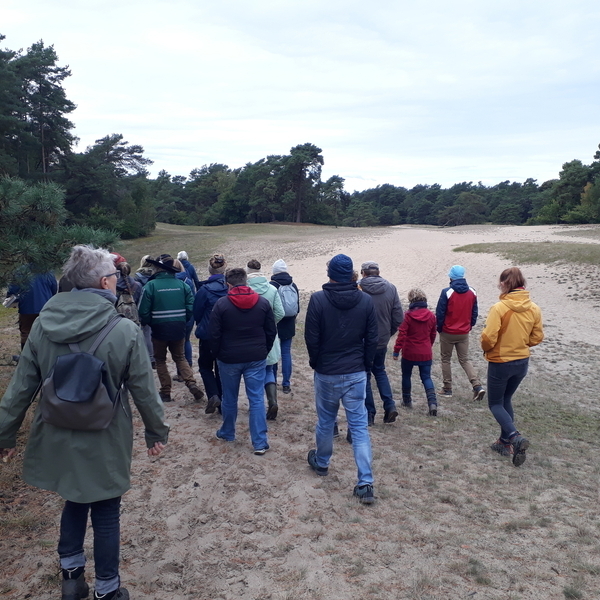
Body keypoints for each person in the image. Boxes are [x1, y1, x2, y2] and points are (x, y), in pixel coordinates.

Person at [0, 245, 169, 600]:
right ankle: (108, 590)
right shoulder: (124, 329)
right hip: (105, 433)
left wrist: (5, 434)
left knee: (73, 500)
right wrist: (156, 430)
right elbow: (143, 390)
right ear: (105, 282)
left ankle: (72, 578)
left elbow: (20, 388)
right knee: (106, 511)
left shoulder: (44, 324)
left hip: (57, 431)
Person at [304, 254, 378, 505]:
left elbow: (312, 339)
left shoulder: (319, 299)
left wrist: (318, 364)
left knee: (326, 421)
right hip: (354, 370)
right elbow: (373, 339)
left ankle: (323, 461)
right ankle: (365, 481)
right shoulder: (364, 301)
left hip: (330, 371)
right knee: (359, 428)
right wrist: (365, 367)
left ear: (330, 273)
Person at [209, 268, 277, 455]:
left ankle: (228, 431)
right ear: (246, 282)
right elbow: (271, 331)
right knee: (256, 398)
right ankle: (260, 442)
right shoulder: (262, 303)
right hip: (254, 356)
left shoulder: (222, 305)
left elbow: (213, 334)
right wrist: (264, 350)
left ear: (228, 284)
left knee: (230, 397)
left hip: (229, 357)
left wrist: (217, 353)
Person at [481, 267, 544, 466]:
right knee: (506, 399)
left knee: (495, 404)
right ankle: (504, 442)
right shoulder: (534, 308)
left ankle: (515, 437)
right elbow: (537, 336)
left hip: (501, 362)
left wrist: (486, 348)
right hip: (521, 362)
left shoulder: (499, 308)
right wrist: (521, 345)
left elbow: (488, 337)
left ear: (505, 283)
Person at [138, 254, 204, 403]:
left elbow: (143, 311)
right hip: (178, 327)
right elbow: (191, 307)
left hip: (159, 329)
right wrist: (183, 319)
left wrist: (151, 322)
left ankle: (166, 392)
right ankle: (191, 383)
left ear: (157, 269)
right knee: (180, 357)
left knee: (160, 360)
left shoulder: (150, 286)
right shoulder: (183, 285)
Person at [359, 261, 404, 424]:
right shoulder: (391, 288)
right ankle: (390, 406)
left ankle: (370, 413)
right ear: (378, 272)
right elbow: (398, 317)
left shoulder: (358, 288)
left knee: (365, 374)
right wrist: (387, 333)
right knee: (380, 371)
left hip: (362, 340)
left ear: (363, 273)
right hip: (381, 340)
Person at [435, 265, 485, 401]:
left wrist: (439, 328)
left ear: (451, 277)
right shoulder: (472, 292)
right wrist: (470, 325)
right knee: (464, 359)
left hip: (448, 331)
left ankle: (447, 388)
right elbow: (474, 312)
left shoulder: (447, 292)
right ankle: (477, 385)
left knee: (446, 359)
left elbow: (440, 313)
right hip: (463, 331)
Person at [247, 259, 284, 420]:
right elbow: (280, 312)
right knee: (269, 369)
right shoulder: (272, 289)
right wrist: (269, 324)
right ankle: (272, 400)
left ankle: (255, 405)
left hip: (249, 335)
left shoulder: (246, 289)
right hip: (269, 335)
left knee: (251, 372)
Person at [392, 288, 438, 416]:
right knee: (426, 377)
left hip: (409, 351)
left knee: (406, 375)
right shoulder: (431, 316)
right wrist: (429, 345)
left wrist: (396, 350)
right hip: (425, 351)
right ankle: (432, 403)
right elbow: (433, 334)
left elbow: (402, 334)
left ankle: (407, 400)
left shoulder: (407, 315)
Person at [193, 254, 228, 414]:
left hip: (207, 334)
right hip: (225, 334)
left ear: (209, 269)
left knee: (205, 366)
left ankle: (213, 395)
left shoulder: (204, 290)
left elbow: (197, 312)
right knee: (220, 368)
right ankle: (222, 403)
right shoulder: (229, 288)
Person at [269, 259, 300, 395]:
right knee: (286, 353)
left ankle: (273, 381)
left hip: (275, 322)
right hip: (289, 323)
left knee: (274, 353)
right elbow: (297, 307)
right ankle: (286, 384)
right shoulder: (293, 285)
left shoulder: (272, 285)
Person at [7, 270, 57, 349]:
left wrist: (13, 300)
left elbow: (13, 290)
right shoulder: (48, 271)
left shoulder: (21, 271)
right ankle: (45, 356)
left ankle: (25, 357)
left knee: (26, 333)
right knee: (46, 333)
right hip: (45, 308)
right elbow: (54, 288)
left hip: (27, 308)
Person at [133, 255, 156, 368]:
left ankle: (150, 357)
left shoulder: (137, 276)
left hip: (143, 305)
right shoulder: (155, 275)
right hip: (155, 305)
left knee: (146, 333)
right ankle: (156, 356)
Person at [173, 259, 195, 374]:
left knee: (178, 344)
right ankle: (189, 365)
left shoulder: (172, 282)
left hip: (177, 316)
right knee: (186, 341)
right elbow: (193, 299)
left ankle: (181, 371)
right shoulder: (188, 281)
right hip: (188, 316)